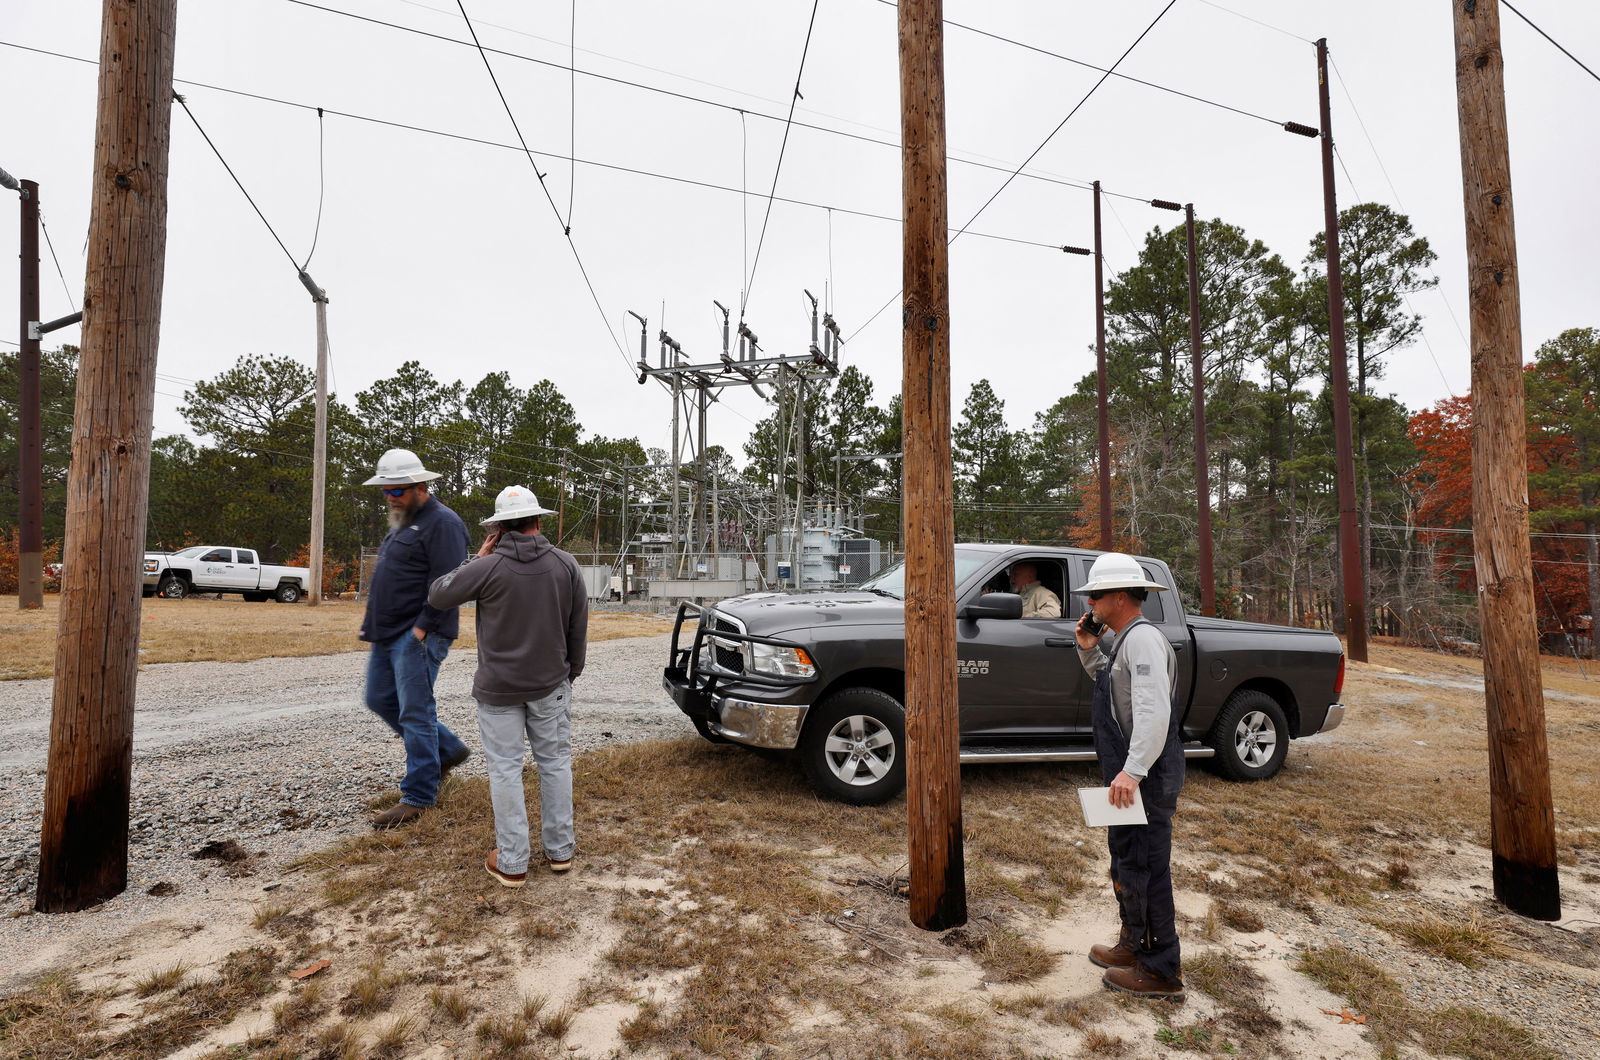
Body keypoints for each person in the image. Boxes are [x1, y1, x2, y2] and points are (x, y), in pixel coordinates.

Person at [428, 485, 588, 887]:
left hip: (499, 689)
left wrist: (476, 559)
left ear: (497, 528)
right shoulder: (566, 565)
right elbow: (577, 629)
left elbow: (439, 595)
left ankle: (513, 862)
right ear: (538, 519)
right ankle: (560, 852)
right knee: (554, 763)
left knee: (504, 769)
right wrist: (570, 674)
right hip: (551, 683)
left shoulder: (488, 567)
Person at [1072, 552, 1185, 1002]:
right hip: (1131, 772)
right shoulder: (1124, 641)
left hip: (1147, 774)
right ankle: (1132, 945)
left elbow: (1154, 712)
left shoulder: (1143, 641)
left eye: (1096, 595)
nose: (1091, 603)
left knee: (1148, 867)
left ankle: (1161, 970)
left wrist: (1133, 771)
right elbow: (1114, 686)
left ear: (1119, 596)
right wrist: (1087, 648)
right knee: (1126, 860)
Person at [359, 448, 472, 830]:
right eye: (385, 491)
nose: (390, 497)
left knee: (415, 711)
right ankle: (448, 750)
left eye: (397, 490)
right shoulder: (403, 522)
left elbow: (450, 582)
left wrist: (422, 627)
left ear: (420, 485)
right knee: (378, 699)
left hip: (420, 634)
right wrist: (373, 628)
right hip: (388, 634)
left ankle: (419, 795)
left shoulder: (444, 523)